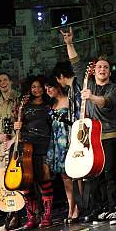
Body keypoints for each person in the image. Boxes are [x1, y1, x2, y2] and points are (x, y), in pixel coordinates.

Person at [59, 27, 116, 225]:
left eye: (105, 67)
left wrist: (91, 97)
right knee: (93, 175)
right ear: (94, 71)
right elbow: (76, 63)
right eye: (99, 67)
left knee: (110, 174)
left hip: (109, 135)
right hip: (90, 139)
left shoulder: (114, 88)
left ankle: (115, 209)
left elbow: (107, 102)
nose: (102, 69)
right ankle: (99, 208)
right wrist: (69, 44)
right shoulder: (87, 82)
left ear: (109, 70)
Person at [12, 76, 53, 229]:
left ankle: (47, 215)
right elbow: (17, 126)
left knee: (45, 181)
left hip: (44, 146)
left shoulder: (49, 105)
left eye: (39, 86)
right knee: (27, 183)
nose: (37, 90)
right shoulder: (24, 106)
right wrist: (17, 125)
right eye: (34, 87)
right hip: (27, 148)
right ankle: (32, 216)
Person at [0, 72, 21, 231]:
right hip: (2, 151)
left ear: (11, 82)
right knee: (5, 185)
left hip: (18, 147)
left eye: (5, 80)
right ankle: (11, 217)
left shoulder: (20, 99)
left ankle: (32, 214)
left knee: (23, 181)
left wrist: (14, 138)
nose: (2, 83)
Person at [45, 78, 80, 223]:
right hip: (57, 142)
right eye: (46, 88)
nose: (48, 91)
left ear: (58, 86)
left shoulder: (69, 100)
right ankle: (71, 207)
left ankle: (79, 206)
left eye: (50, 87)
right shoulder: (52, 105)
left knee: (76, 175)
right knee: (65, 177)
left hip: (69, 139)